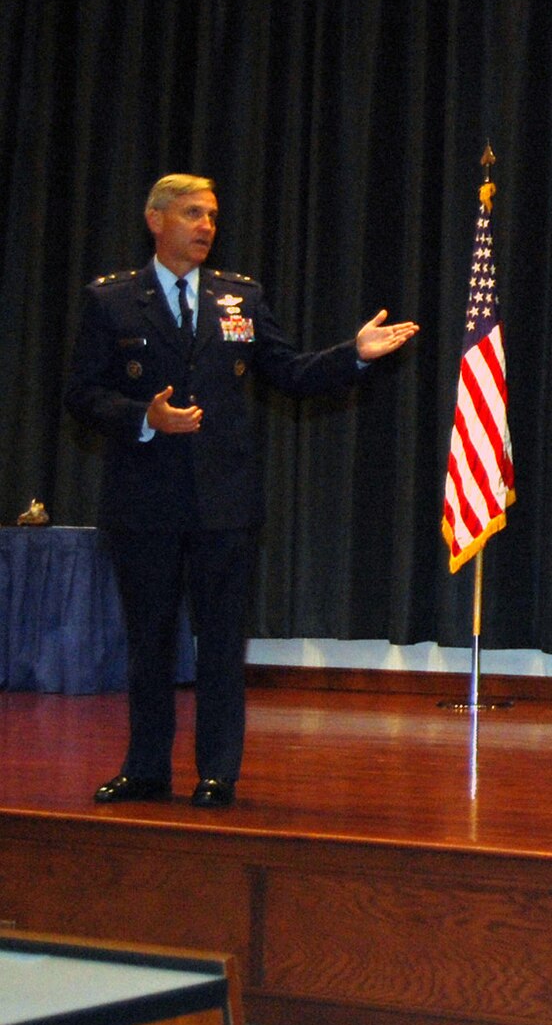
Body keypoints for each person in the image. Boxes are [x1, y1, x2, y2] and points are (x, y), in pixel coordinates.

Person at [63, 174, 419, 808]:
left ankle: (217, 771)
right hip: (143, 503)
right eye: (193, 213)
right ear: (156, 219)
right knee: (149, 642)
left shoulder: (240, 299)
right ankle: (146, 769)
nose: (206, 227)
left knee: (222, 644)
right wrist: (145, 417)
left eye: (212, 216)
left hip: (224, 504)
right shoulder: (112, 301)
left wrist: (353, 355)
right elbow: (83, 395)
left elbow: (288, 372)